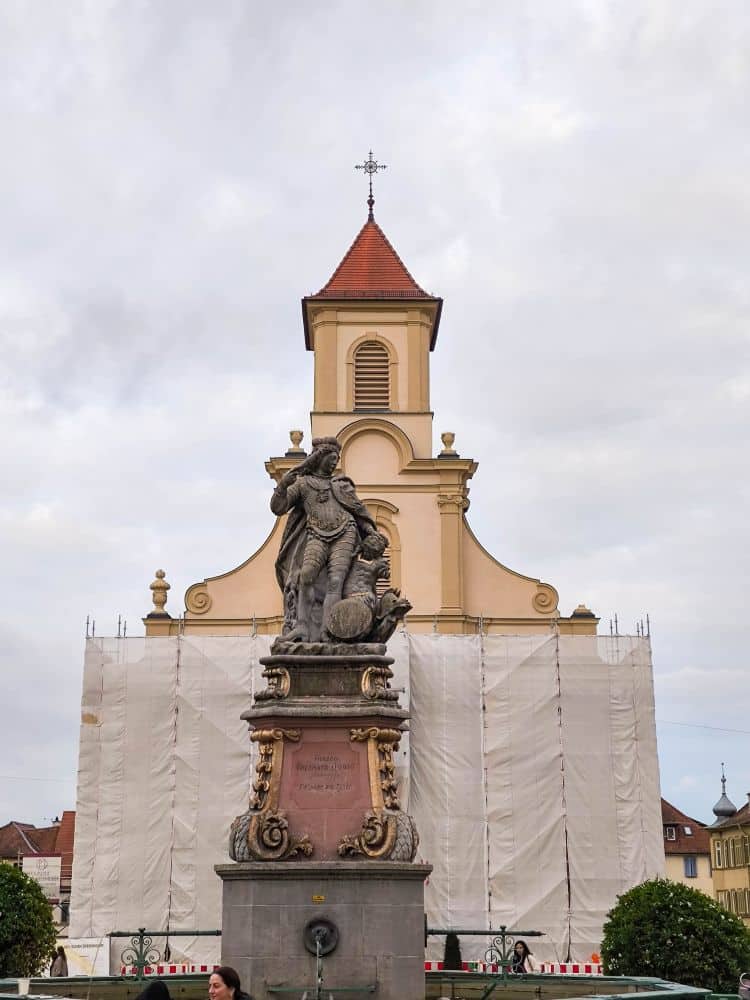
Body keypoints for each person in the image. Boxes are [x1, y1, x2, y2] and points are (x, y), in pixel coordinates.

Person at [271, 436, 387, 642]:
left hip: (346, 532)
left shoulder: (341, 485)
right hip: (316, 533)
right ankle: (302, 627)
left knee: (336, 582)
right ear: (319, 458)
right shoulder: (303, 483)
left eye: (337, 458)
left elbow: (358, 510)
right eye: (331, 457)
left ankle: (328, 631)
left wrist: (370, 532)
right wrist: (285, 482)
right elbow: (278, 508)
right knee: (305, 576)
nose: (335, 461)